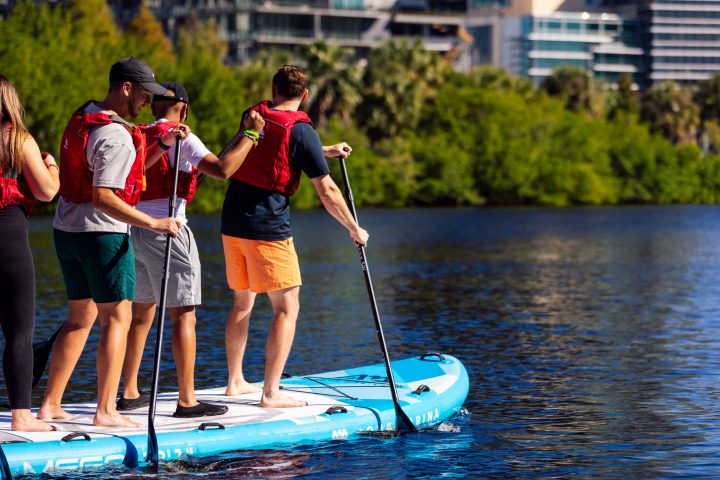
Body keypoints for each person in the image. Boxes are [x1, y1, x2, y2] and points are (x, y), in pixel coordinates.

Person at [37, 58, 184, 428]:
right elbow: (104, 196)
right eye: (144, 96)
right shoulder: (116, 135)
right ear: (125, 88)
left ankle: (50, 405)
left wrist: (162, 144)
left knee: (80, 318)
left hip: (66, 231)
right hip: (102, 234)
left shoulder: (85, 115)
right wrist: (153, 222)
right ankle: (106, 411)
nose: (147, 105)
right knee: (117, 318)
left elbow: (127, 170)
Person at [222, 65, 369, 408]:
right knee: (287, 308)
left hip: (231, 222)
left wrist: (324, 149)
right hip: (268, 228)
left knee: (242, 302)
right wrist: (353, 228)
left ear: (273, 90)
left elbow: (270, 147)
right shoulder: (302, 131)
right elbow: (328, 190)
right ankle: (271, 393)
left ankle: (235, 381)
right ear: (305, 95)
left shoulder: (253, 115)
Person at [118, 81, 265, 418]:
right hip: (169, 232)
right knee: (184, 314)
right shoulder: (184, 136)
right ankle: (187, 401)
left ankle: (128, 392)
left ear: (154, 106)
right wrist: (251, 135)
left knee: (142, 313)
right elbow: (223, 169)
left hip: (134, 229)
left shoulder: (137, 133)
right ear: (183, 109)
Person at [0, 75, 60, 432]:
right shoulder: (19, 140)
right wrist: (51, 163)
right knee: (19, 330)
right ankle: (22, 417)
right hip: (8, 235)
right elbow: (48, 191)